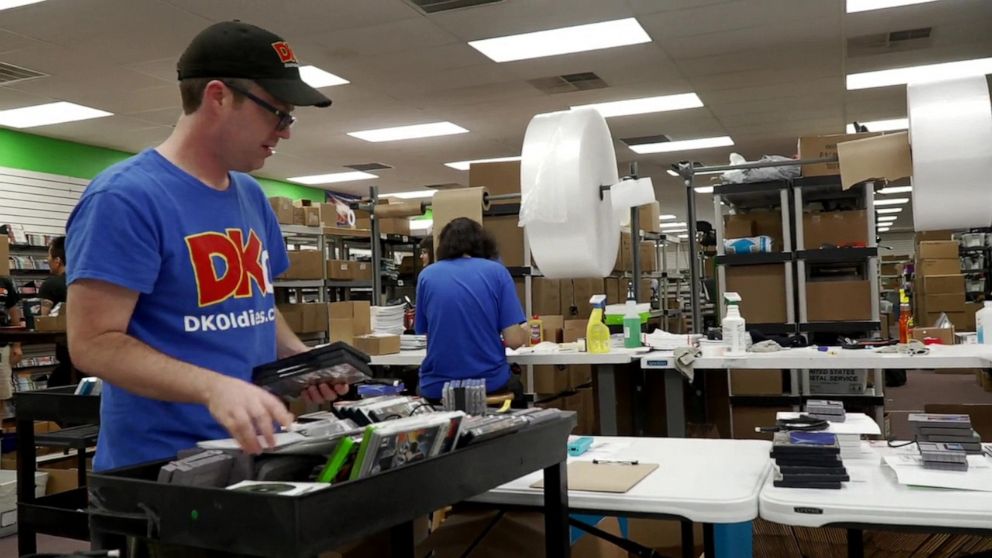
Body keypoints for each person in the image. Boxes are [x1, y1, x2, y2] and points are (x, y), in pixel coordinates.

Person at [66, 20, 346, 472]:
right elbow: (93, 344)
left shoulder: (251, 195)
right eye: (277, 111)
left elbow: (255, 304)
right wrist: (214, 387)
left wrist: (297, 358)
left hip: (253, 450)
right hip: (159, 468)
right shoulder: (123, 196)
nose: (286, 131)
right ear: (218, 96)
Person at [414, 218, 528, 406]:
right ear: (483, 244)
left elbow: (423, 333)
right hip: (489, 384)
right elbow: (514, 341)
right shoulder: (497, 272)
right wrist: (524, 329)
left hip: (437, 389)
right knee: (516, 389)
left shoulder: (427, 275)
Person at [37, 235, 77, 388]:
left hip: (67, 353)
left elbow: (41, 318)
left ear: (58, 260)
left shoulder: (50, 284)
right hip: (92, 355)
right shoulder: (83, 282)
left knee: (56, 386)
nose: (47, 260)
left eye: (49, 255)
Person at [0, 275, 22, 418]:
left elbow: (14, 312)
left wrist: (17, 344)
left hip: (1, 345)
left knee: (1, 395)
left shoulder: (5, 282)